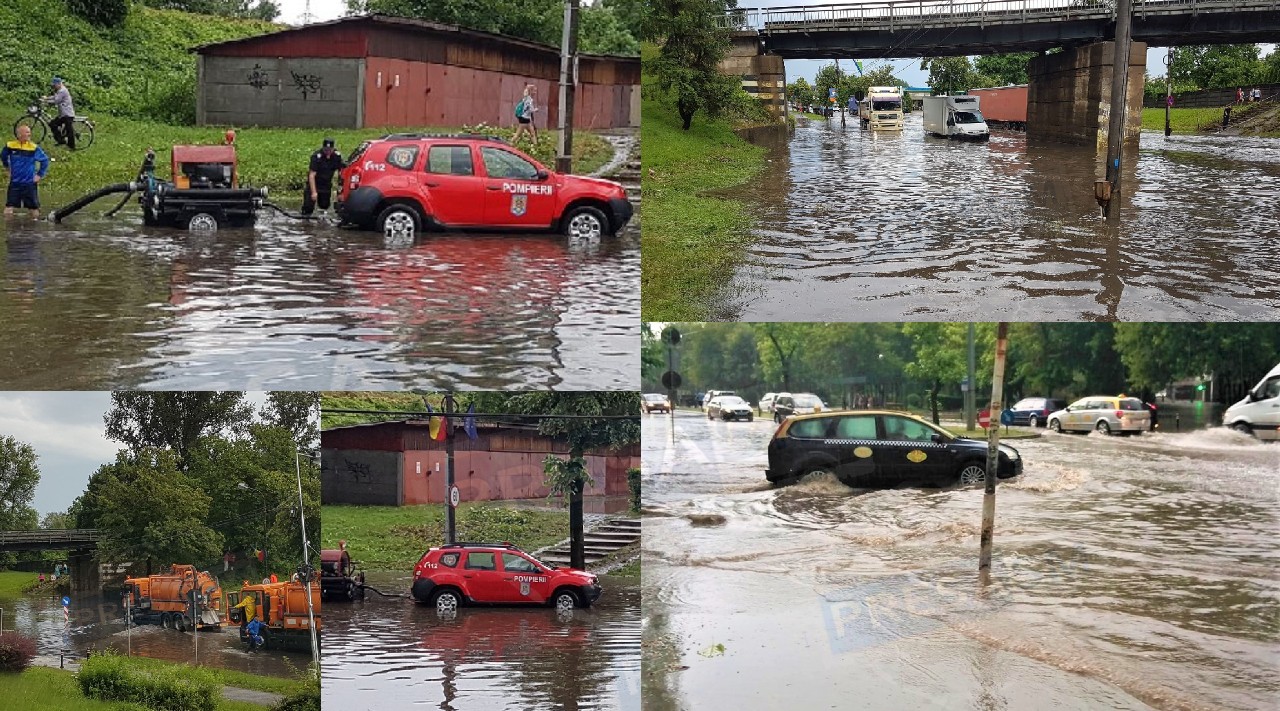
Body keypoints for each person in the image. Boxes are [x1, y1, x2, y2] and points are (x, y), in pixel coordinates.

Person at [2, 124, 50, 219]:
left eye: (29, 132)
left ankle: (34, 227)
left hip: (29, 183)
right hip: (15, 182)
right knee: (9, 207)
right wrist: (7, 167)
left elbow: (45, 160)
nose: (29, 134)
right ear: (19, 134)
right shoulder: (10, 146)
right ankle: (8, 228)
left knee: (34, 208)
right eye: (27, 132)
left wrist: (39, 175)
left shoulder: (33, 147)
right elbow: (3, 156)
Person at [303, 137, 344, 217]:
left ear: (333, 149)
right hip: (314, 184)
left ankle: (321, 220)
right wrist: (314, 192)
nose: (327, 152)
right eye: (326, 150)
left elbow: (341, 172)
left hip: (326, 185)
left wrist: (340, 190)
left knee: (324, 205)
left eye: (330, 150)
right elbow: (312, 175)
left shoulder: (337, 156)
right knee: (308, 207)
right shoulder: (316, 156)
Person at [42, 77, 76, 150]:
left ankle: (72, 147)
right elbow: (55, 97)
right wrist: (47, 98)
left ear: (58, 84)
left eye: (54, 85)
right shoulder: (59, 90)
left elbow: (56, 101)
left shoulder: (63, 91)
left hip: (67, 114)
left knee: (70, 131)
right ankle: (60, 140)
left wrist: (45, 101)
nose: (53, 86)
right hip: (63, 114)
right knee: (52, 124)